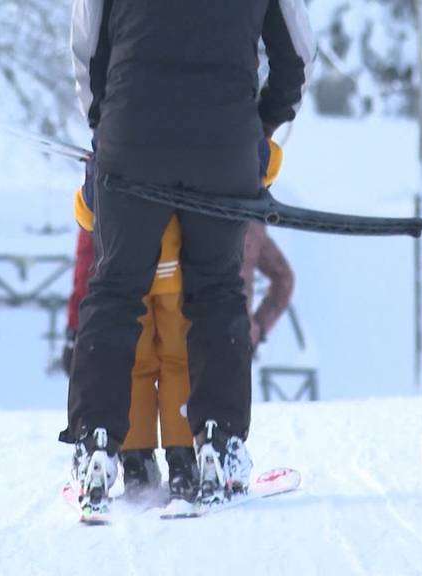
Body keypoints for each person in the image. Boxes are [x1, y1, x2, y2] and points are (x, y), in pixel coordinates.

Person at [64, 0, 314, 512]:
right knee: (218, 290)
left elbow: (86, 45)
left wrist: (104, 120)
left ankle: (97, 447)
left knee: (113, 290)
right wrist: (260, 124)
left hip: (131, 130)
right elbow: (297, 55)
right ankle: (218, 447)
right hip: (224, 139)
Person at [63, 140, 292, 503]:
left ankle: (135, 458)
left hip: (130, 275)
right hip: (180, 278)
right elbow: (263, 162)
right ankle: (182, 456)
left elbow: (87, 214)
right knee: (179, 363)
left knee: (136, 366)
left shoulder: (122, 138)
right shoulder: (199, 142)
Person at [243, 221, 295, 352]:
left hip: (193, 324)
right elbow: (284, 279)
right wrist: (258, 327)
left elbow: (284, 279)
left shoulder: (194, 207)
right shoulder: (252, 224)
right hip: (235, 333)